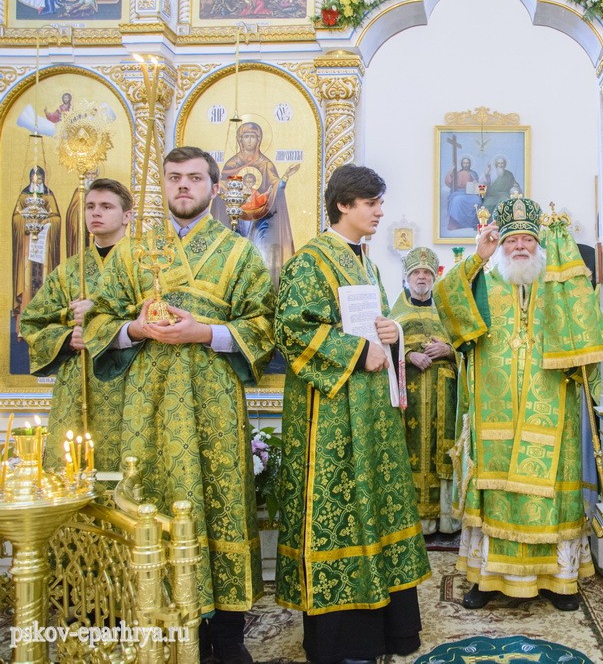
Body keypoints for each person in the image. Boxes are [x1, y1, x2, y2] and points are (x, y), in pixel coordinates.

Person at [85, 146, 276, 664]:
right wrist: (134, 329)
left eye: (194, 177)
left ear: (215, 188)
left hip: (213, 402)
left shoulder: (238, 254)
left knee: (222, 504)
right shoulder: (132, 253)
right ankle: (160, 629)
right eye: (174, 178)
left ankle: (227, 636)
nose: (184, 186)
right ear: (164, 185)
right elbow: (99, 320)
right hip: (145, 407)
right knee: (151, 503)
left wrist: (205, 333)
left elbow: (264, 325)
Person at [274, 164, 430, 664]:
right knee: (340, 509)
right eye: (371, 203)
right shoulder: (311, 261)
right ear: (343, 204)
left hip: (371, 413)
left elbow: (377, 325)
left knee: (377, 508)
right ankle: (345, 642)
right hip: (332, 418)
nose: (380, 212)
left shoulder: (366, 263)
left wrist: (391, 333)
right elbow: (292, 329)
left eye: (379, 203)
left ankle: (390, 630)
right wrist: (358, 352)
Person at [433, 196, 603, 612]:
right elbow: (445, 298)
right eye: (511, 239)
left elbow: (588, 333)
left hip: (552, 406)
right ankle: (486, 578)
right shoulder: (483, 280)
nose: (519, 246)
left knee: (550, 494)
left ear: (538, 244)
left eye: (527, 239)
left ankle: (557, 580)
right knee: (495, 490)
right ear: (500, 244)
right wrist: (477, 257)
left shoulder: (559, 283)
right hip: (493, 410)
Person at [20, 178, 132, 486]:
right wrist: (68, 339)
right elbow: (32, 322)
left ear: (127, 215)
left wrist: (100, 316)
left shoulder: (143, 264)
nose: (96, 213)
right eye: (90, 206)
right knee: (74, 472)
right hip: (78, 382)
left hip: (130, 380)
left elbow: (156, 314)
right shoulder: (70, 270)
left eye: (106, 206)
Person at [390, 246, 461, 538]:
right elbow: (384, 348)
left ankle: (446, 521)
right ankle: (415, 522)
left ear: (434, 277)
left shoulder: (446, 309)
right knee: (411, 451)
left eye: (426, 273)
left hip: (445, 394)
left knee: (443, 451)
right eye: (416, 273)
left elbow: (464, 344)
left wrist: (448, 349)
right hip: (411, 396)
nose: (421, 277)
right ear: (408, 278)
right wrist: (408, 355)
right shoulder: (396, 313)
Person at [212, 121, 299, 285]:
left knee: (260, 257)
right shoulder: (232, 164)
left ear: (259, 140)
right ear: (240, 140)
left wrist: (284, 178)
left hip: (261, 220)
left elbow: (275, 185)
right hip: (237, 220)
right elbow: (223, 185)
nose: (249, 141)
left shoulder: (266, 164)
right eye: (246, 136)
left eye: (253, 137)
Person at [12, 166, 62, 326]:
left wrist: (46, 221)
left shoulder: (48, 195)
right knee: (27, 278)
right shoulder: (23, 195)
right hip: (28, 245)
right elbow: (16, 217)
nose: (37, 181)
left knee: (44, 277)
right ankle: (25, 319)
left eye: (40, 178)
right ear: (30, 179)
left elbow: (56, 218)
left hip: (43, 245)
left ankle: (45, 319)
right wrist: (26, 221)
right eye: (34, 178)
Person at [64, 168, 99, 259]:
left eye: (93, 174)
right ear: (84, 175)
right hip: (81, 231)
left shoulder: (101, 193)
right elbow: (72, 213)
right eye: (88, 174)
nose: (91, 177)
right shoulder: (79, 192)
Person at [445, 156, 482, 231]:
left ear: (470, 164)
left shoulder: (473, 173)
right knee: (456, 200)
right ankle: (457, 224)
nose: (466, 164)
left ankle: (473, 223)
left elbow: (477, 185)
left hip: (471, 194)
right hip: (459, 192)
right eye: (464, 163)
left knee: (477, 200)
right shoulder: (457, 173)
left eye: (467, 163)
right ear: (462, 164)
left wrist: (475, 183)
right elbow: (449, 182)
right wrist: (450, 171)